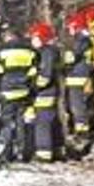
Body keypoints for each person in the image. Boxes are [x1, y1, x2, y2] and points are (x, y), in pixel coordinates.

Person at [0, 23, 36, 164]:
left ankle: (7, 153)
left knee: (7, 124)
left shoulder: (2, 51)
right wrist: (31, 90)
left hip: (7, 93)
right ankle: (23, 152)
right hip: (24, 92)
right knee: (22, 124)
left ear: (8, 36)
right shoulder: (30, 51)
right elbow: (34, 72)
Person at [27, 21, 63, 163]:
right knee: (51, 122)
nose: (32, 41)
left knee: (42, 124)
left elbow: (45, 76)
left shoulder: (47, 53)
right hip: (48, 93)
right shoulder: (49, 52)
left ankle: (44, 154)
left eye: (34, 38)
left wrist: (33, 88)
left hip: (45, 94)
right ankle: (57, 149)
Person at [62, 12, 94, 146]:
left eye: (70, 27)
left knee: (77, 107)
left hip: (77, 78)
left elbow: (71, 58)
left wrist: (60, 63)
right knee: (74, 106)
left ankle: (82, 133)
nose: (69, 30)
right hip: (77, 77)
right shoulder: (85, 40)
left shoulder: (81, 40)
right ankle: (78, 130)